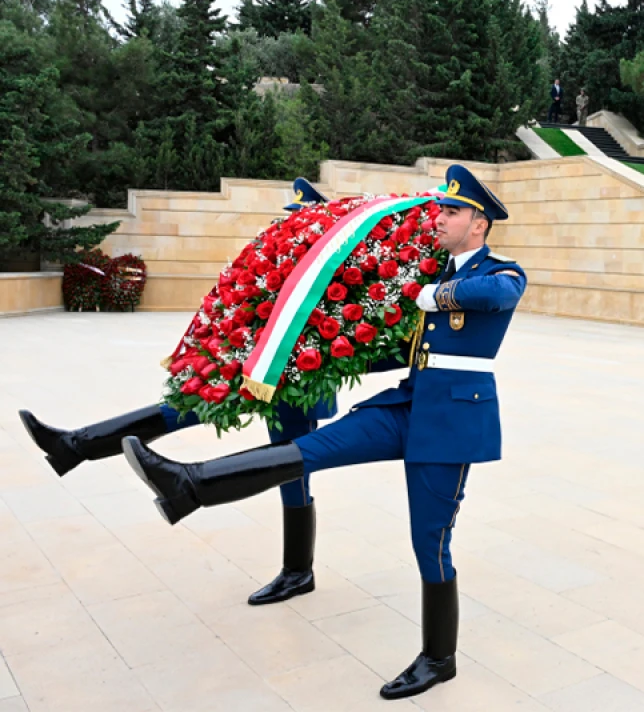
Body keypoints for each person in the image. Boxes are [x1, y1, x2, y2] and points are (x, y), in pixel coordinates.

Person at [122, 165, 526, 702]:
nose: (441, 217)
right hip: (407, 405)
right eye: (441, 208)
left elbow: (497, 295)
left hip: (451, 424)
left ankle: (438, 658)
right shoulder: (437, 271)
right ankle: (188, 484)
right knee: (307, 451)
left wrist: (432, 294)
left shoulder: (501, 272)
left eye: (452, 211)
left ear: (479, 224)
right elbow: (405, 352)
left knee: (430, 543)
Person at [16, 177, 383, 606]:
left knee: (290, 469)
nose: (293, 227)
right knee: (181, 408)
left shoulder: (336, 267)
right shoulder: (288, 262)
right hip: (249, 373)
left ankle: (298, 571)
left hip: (293, 385)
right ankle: (74, 445)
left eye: (302, 219)